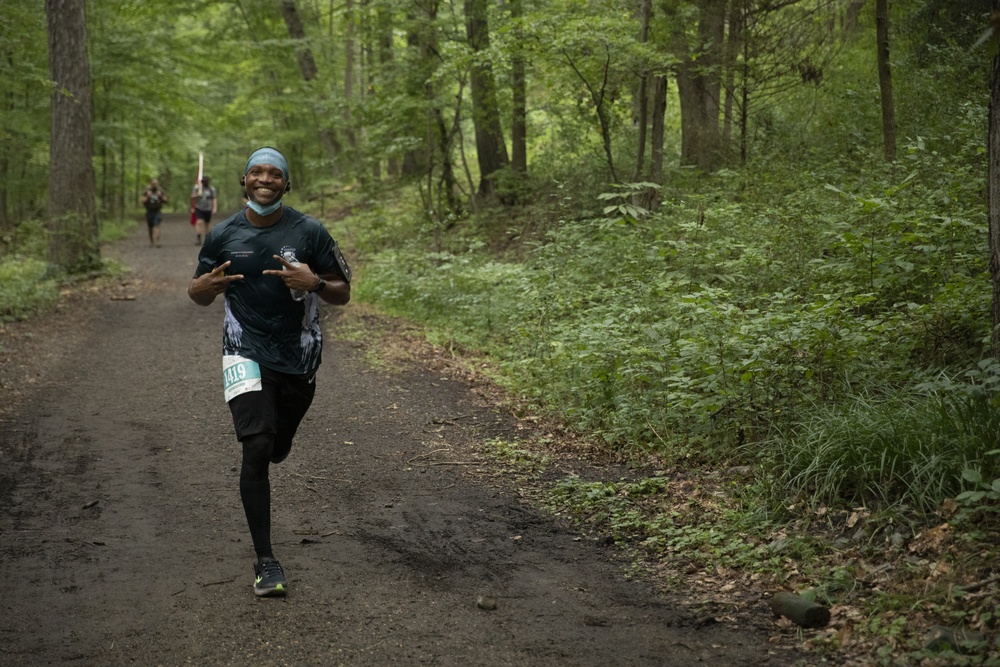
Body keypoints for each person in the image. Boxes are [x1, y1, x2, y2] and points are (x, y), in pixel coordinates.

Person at [187, 147, 351, 597]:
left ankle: (283, 436)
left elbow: (342, 292)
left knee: (277, 443)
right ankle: (266, 561)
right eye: (256, 172)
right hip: (242, 351)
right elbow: (200, 291)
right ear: (243, 181)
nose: (264, 179)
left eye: (274, 173)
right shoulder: (222, 234)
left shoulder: (310, 231)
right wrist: (198, 290)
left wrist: (314, 282)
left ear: (286, 183)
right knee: (256, 447)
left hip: (299, 356)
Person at [140, 178, 168, 247]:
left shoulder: (160, 190)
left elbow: (166, 200)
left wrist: (160, 196)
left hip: (157, 210)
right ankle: (151, 241)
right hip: (149, 210)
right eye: (153, 184)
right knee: (150, 226)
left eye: (156, 184)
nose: (155, 185)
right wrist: (148, 196)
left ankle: (157, 241)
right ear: (151, 184)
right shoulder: (147, 191)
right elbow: (142, 201)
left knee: (157, 224)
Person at [190, 175, 218, 245]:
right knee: (199, 222)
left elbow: (214, 199)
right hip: (199, 208)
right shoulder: (197, 188)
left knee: (207, 224)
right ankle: (198, 239)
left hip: (208, 208)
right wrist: (197, 195)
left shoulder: (212, 189)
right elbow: (192, 196)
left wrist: (214, 208)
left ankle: (207, 239)